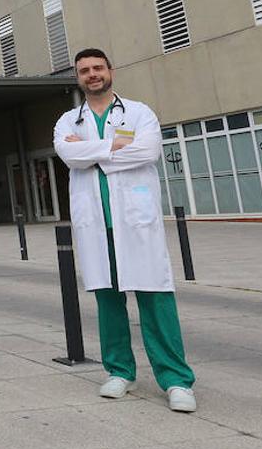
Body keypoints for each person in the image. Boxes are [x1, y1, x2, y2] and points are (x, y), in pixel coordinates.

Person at [53, 49, 196, 413]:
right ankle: (120, 371)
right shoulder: (69, 120)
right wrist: (112, 146)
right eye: (84, 70)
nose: (92, 74)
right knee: (108, 299)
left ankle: (176, 379)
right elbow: (68, 156)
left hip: (135, 221)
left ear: (110, 71)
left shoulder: (138, 112)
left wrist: (92, 153)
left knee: (156, 298)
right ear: (78, 77)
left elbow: (146, 152)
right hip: (97, 225)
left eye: (97, 68)